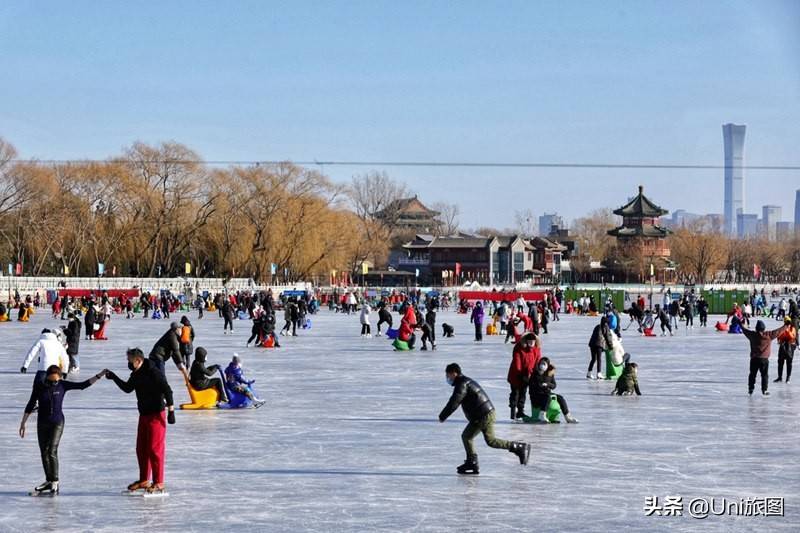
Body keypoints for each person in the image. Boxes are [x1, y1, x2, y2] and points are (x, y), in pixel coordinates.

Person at [19, 365, 107, 495]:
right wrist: (23, 423)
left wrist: (99, 375)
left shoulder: (62, 385)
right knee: (44, 452)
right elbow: (31, 403)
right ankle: (49, 481)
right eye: (51, 380)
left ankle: (55, 482)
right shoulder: (39, 386)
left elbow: (82, 385)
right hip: (42, 423)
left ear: (59, 378)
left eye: (56, 380)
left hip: (57, 423)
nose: (53, 383)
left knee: (52, 450)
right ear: (47, 377)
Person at [438, 363, 531, 475]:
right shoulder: (464, 381)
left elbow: (454, 402)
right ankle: (519, 447)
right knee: (490, 441)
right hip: (486, 413)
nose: (448, 378)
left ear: (454, 373)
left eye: (448, 375)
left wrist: (442, 416)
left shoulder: (462, 384)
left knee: (467, 436)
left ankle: (472, 462)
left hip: (483, 415)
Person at [107, 348, 175, 494]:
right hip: (144, 414)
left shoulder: (153, 372)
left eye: (130, 361)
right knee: (141, 448)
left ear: (138, 360)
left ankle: (159, 482)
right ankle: (144, 480)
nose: (128, 364)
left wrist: (171, 411)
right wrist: (114, 377)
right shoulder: (136, 373)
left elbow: (167, 389)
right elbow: (127, 388)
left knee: (154, 449)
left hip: (157, 414)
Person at [742, 320, 787, 396]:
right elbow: (778, 331)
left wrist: (740, 324)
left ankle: (751, 389)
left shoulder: (752, 335)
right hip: (764, 359)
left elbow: (744, 330)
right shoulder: (769, 335)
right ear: (764, 328)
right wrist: (786, 325)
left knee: (752, 374)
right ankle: (764, 390)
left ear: (756, 328)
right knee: (764, 375)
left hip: (754, 359)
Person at [529, 357, 578, 423]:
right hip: (536, 396)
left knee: (560, 398)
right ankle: (542, 415)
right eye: (541, 363)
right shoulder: (535, 374)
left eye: (544, 364)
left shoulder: (550, 374)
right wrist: (541, 383)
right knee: (547, 397)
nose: (542, 365)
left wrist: (548, 384)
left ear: (547, 365)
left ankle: (568, 417)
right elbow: (533, 385)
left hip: (546, 393)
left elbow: (554, 385)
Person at [507, 332, 540, 420]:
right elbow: (517, 363)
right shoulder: (519, 348)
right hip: (516, 376)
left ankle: (520, 412)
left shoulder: (536, 349)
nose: (531, 343)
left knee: (523, 393)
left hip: (528, 376)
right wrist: (521, 373)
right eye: (529, 342)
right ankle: (513, 411)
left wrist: (536, 373)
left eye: (533, 342)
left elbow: (537, 362)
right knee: (515, 393)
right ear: (526, 341)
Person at [774, 317, 797, 384]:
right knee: (780, 362)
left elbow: (792, 337)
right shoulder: (782, 328)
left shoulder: (792, 328)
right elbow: (779, 337)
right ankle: (779, 377)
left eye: (788, 322)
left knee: (789, 363)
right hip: (783, 346)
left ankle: (788, 378)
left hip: (790, 347)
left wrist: (787, 330)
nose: (787, 323)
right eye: (786, 322)